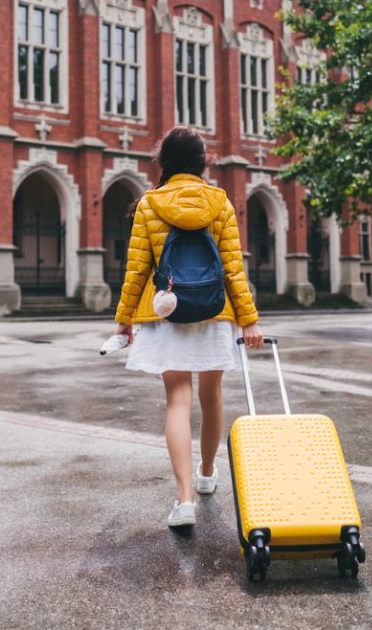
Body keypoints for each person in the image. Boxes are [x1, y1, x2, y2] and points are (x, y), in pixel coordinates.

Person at [112, 126, 263, 528]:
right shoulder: (221, 203)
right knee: (211, 397)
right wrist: (248, 320)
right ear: (202, 162)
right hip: (215, 309)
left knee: (178, 401)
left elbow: (137, 270)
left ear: (165, 162)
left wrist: (124, 322)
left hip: (167, 309)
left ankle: (183, 502)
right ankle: (208, 474)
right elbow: (233, 267)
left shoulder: (149, 204)